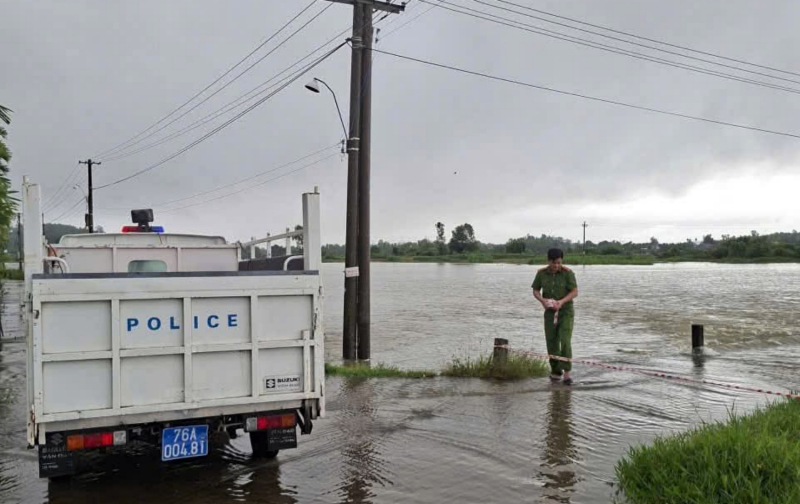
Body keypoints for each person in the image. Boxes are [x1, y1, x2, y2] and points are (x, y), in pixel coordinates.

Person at [532, 248, 579, 384]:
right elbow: (535, 290)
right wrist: (543, 301)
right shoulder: (541, 273)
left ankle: (567, 373)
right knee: (551, 341)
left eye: (559, 263)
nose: (557, 266)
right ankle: (556, 372)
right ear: (548, 261)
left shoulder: (568, 273)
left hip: (566, 311)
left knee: (565, 340)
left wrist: (561, 302)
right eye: (554, 263)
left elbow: (575, 292)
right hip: (550, 311)